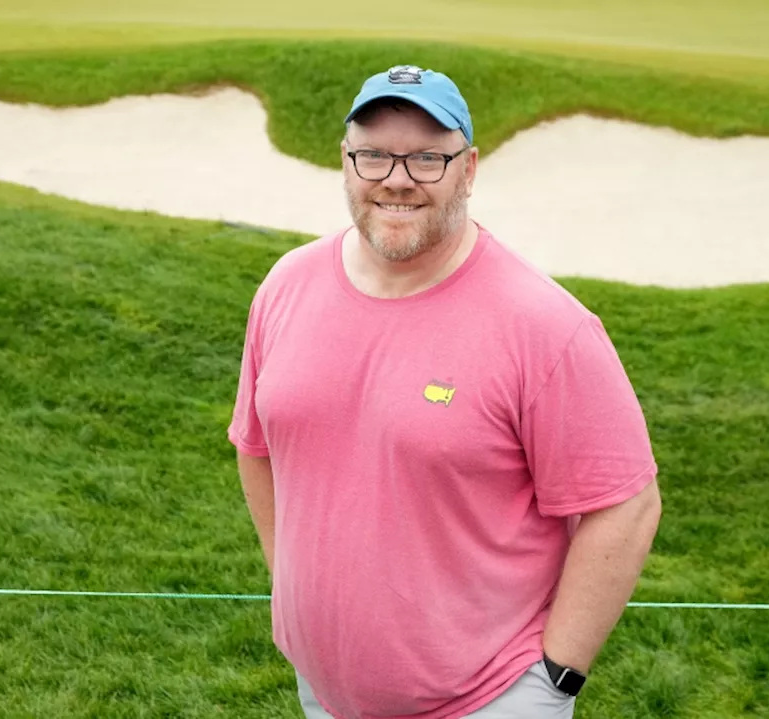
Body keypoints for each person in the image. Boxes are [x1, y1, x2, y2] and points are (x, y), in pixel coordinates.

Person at [227, 64, 662, 719]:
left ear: (469, 169)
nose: (397, 178)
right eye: (373, 154)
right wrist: (295, 586)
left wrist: (554, 680)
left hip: (488, 699)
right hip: (322, 690)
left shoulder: (545, 325)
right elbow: (255, 446)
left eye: (428, 158)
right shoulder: (286, 286)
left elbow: (626, 505)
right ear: (345, 163)